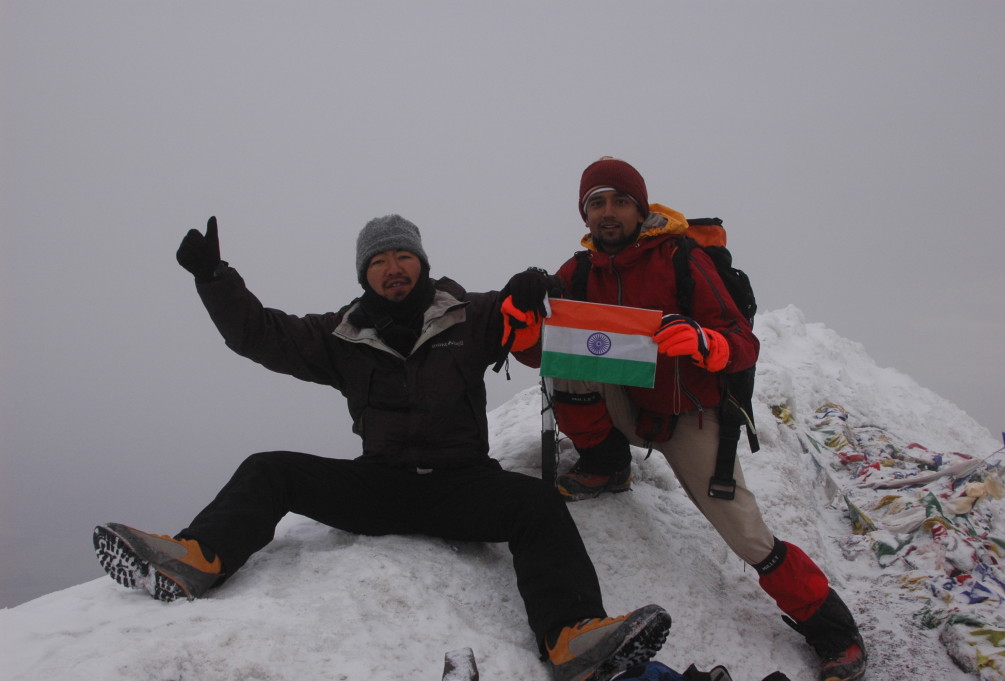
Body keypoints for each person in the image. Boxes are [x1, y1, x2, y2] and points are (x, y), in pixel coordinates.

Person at [92, 214, 671, 681]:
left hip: (462, 483)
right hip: (380, 484)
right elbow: (260, 334)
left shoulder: (470, 315)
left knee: (538, 505)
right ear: (364, 273)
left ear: (421, 262)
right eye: (379, 261)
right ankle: (197, 559)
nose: (393, 269)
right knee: (270, 469)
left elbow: (525, 311)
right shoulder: (340, 335)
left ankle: (571, 638)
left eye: (403, 256)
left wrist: (532, 284)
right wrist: (215, 279)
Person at [511, 158, 867, 681]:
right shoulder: (578, 272)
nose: (608, 213)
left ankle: (833, 630)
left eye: (620, 201)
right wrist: (525, 337)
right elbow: (550, 352)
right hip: (627, 404)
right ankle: (606, 464)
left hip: (688, 415)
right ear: (585, 214)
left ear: (640, 207)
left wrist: (710, 343)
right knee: (566, 370)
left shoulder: (680, 258)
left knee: (747, 535)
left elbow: (744, 343)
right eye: (596, 203)